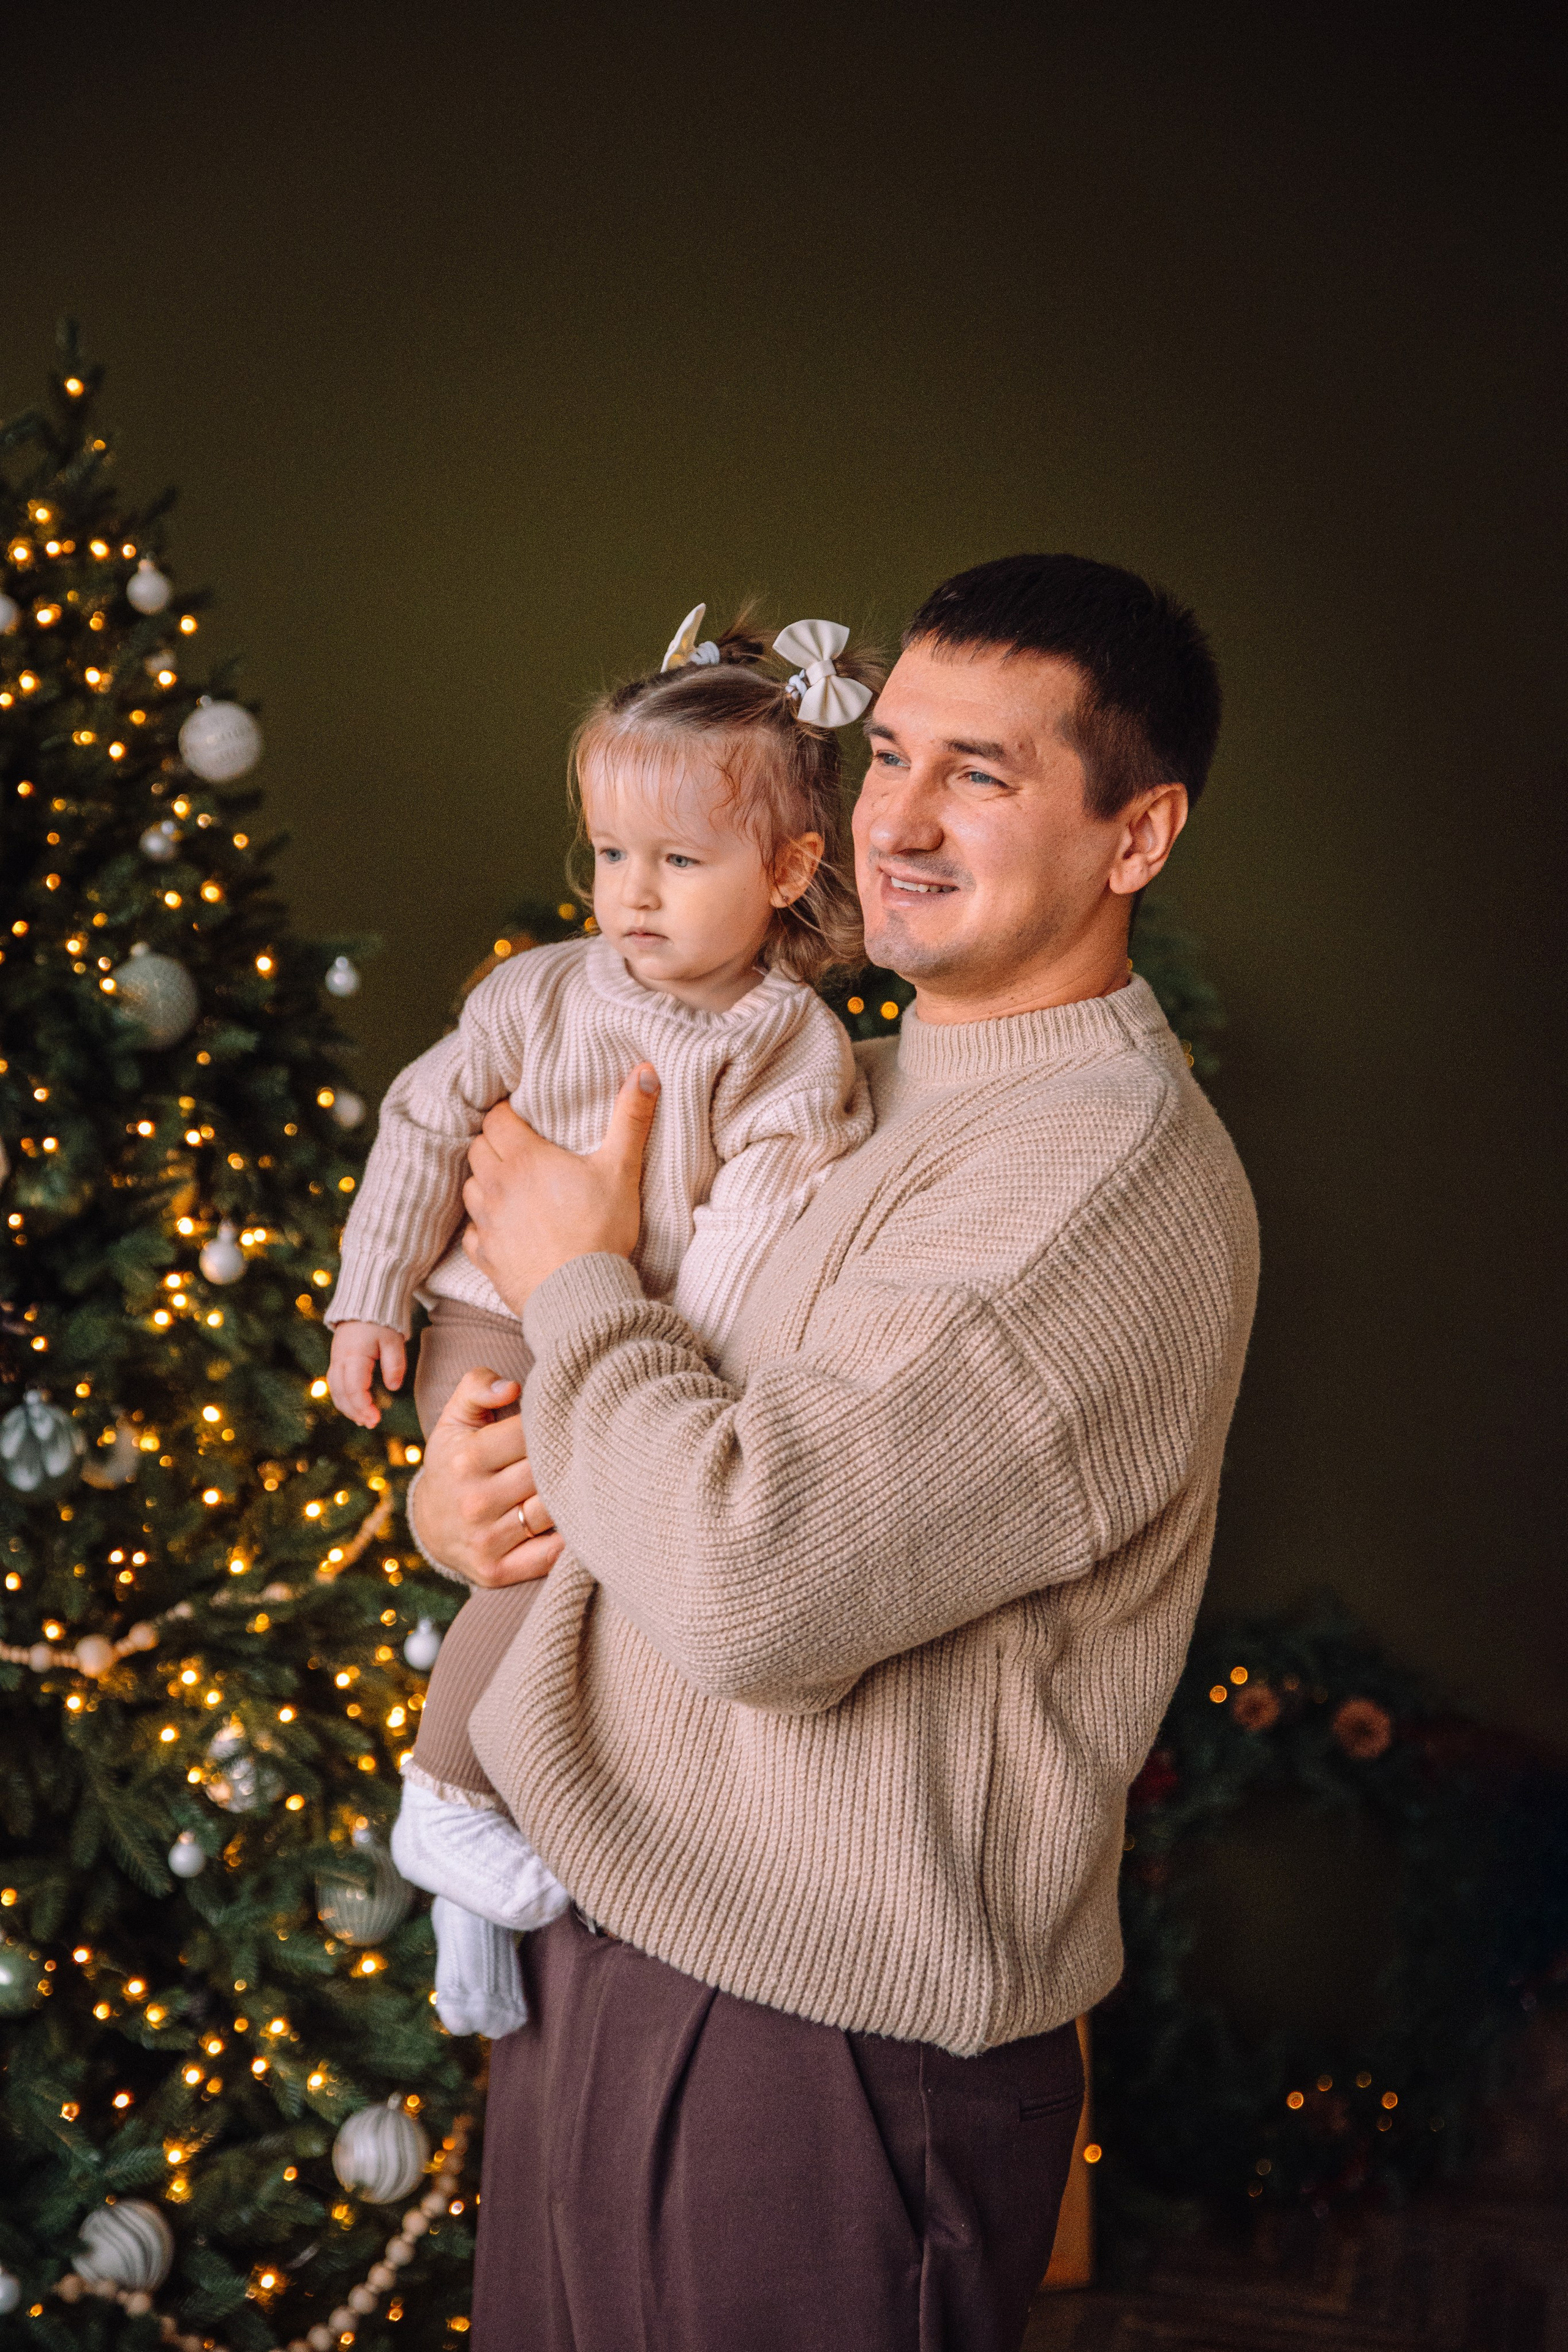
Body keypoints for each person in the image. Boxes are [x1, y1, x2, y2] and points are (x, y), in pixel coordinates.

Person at [412, 553, 1260, 2352]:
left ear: (1139, 835)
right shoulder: (850, 1091)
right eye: (888, 755)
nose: (901, 818)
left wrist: (572, 1289)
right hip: (624, 1916)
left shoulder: (1089, 1176)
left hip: (823, 2039)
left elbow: (747, 1581)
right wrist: (467, 1482)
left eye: (985, 772)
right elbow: (634, 1425)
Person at [323, 605, 881, 2034]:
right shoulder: (539, 994)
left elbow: (745, 1245)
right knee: (542, 1556)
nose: (631, 895)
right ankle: (443, 1793)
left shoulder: (787, 1052)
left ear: (787, 869)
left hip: (635, 1347)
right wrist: (366, 1300)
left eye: (679, 862)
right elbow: (422, 1119)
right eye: (610, 856)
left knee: (600, 1560)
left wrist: (653, 1391)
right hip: (485, 1313)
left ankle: (468, 1913)